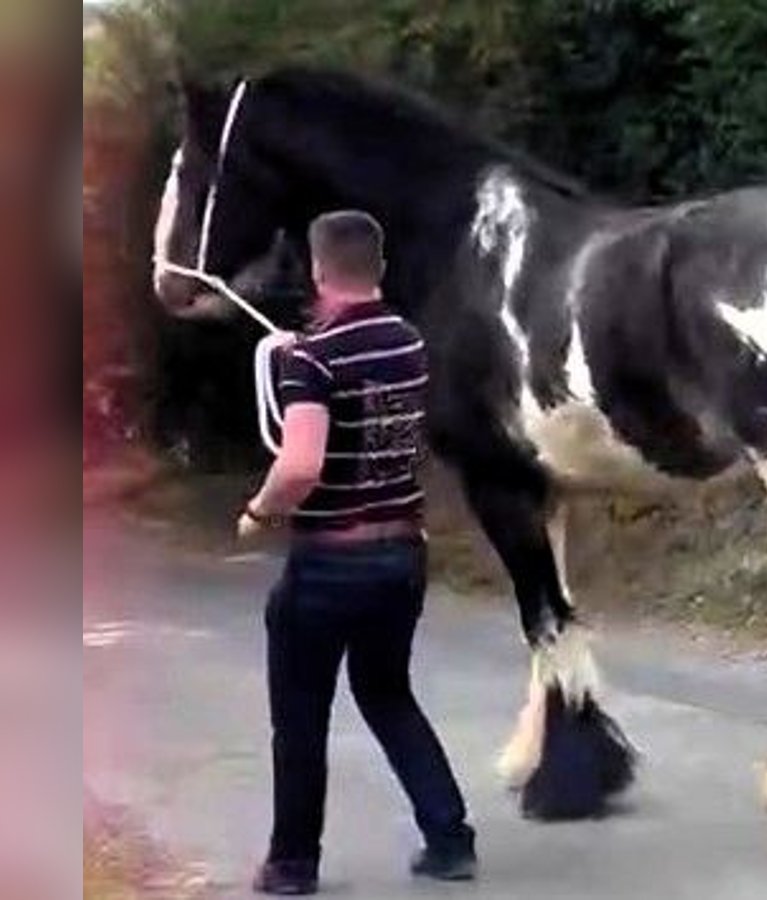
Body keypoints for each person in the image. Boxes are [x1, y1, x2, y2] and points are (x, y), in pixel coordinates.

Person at [238, 210, 476, 894]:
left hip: (328, 565)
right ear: (380, 267)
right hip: (401, 555)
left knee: (300, 717)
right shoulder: (409, 342)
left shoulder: (311, 361)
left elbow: (300, 465)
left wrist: (259, 513)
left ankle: (292, 864)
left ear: (318, 271)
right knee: (388, 694)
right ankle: (450, 839)